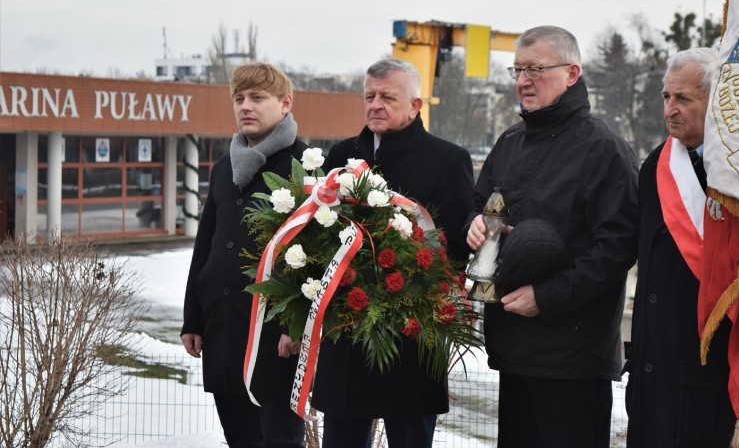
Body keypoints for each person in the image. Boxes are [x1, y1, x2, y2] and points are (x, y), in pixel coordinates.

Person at [465, 25, 639, 448]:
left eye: (536, 69)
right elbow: (485, 207)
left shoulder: (604, 149)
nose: (524, 80)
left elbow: (615, 250)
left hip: (573, 355)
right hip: (514, 346)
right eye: (518, 69)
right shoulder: (509, 141)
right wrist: (474, 223)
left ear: (572, 73)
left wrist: (547, 296)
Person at [310, 58, 475, 448]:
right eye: (369, 96)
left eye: (388, 97)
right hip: (347, 332)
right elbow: (320, 237)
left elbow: (452, 251)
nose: (375, 105)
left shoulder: (448, 160)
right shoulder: (341, 156)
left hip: (409, 337)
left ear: (416, 105)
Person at [181, 63, 307, 448]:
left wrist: (297, 325)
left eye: (257, 98)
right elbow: (206, 246)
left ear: (285, 104)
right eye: (239, 99)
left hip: (273, 341)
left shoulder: (307, 165)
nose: (245, 107)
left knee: (278, 440)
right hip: (222, 332)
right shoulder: (223, 168)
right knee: (239, 439)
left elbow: (315, 255)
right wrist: (193, 319)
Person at [624, 48, 736, 447]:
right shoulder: (656, 164)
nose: (670, 109)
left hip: (705, 372)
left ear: (716, 99)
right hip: (653, 369)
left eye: (683, 99)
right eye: (666, 97)